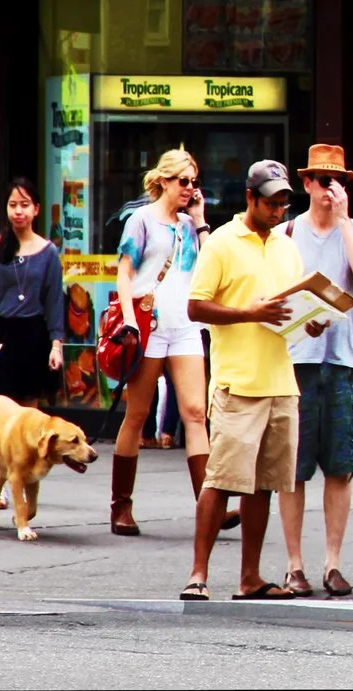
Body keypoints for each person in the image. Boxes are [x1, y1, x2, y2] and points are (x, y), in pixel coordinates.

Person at [182, 161, 308, 601]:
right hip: (237, 382)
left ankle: (249, 578)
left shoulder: (286, 246)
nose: (278, 211)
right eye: (271, 202)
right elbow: (196, 307)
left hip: (280, 381)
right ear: (250, 198)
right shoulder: (221, 243)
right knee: (220, 480)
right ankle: (198, 575)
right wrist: (250, 314)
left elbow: (292, 305)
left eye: (283, 203)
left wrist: (312, 321)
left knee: (264, 485)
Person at [277, 145, 353, 597]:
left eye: (336, 182)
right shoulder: (286, 233)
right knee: (293, 469)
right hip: (295, 359)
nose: (327, 189)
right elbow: (272, 298)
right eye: (320, 180)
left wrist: (343, 220)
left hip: (343, 360)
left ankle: (333, 563)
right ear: (305, 184)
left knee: (341, 466)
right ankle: (294, 565)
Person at [110, 148, 218, 537]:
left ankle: (209, 505)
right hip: (149, 324)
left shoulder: (190, 225)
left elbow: (209, 270)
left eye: (194, 182)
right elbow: (124, 273)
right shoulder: (141, 220)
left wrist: (202, 221)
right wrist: (127, 319)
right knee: (137, 415)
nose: (190, 189)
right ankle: (121, 505)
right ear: (164, 181)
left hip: (185, 326)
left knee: (194, 412)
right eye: (184, 181)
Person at [0, 178, 64, 407]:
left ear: (36, 209)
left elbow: (54, 303)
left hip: (33, 334)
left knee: (29, 410)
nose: (18, 211)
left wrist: (56, 346)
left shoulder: (48, 252)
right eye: (13, 205)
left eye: (24, 204)